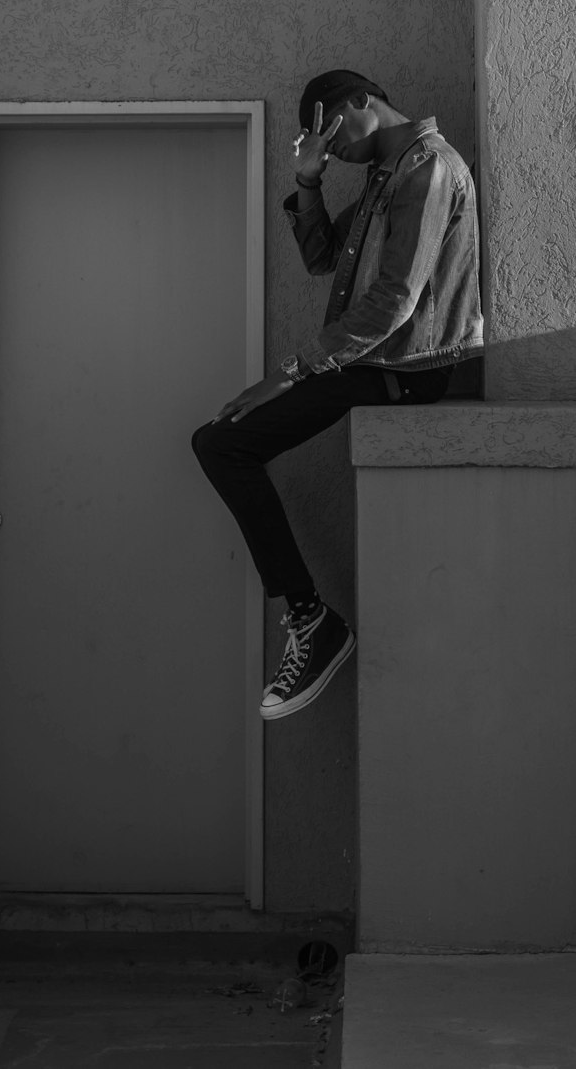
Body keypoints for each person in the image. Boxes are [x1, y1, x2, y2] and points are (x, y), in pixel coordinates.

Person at [191, 70, 483, 720]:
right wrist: (308, 177)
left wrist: (291, 372)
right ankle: (311, 620)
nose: (330, 144)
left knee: (223, 445)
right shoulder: (387, 178)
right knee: (219, 442)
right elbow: (321, 256)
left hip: (408, 366)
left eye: (330, 129)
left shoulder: (429, 170)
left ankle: (312, 623)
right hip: (373, 361)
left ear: (361, 102)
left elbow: (393, 303)